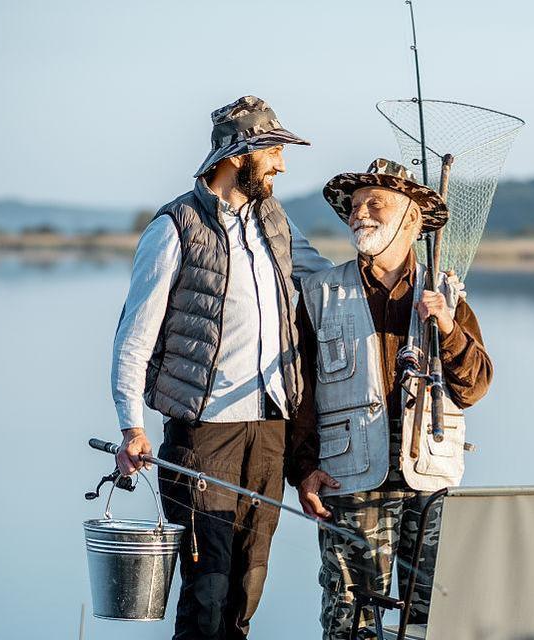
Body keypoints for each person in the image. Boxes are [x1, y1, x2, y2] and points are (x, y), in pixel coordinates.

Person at [110, 95, 331, 639]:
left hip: (271, 431)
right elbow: (132, 338)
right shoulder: (175, 227)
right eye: (275, 150)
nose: (281, 163)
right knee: (206, 592)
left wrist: (393, 259)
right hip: (204, 435)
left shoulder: (273, 219)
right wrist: (131, 426)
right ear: (240, 154)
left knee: (245, 591)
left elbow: (324, 279)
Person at [288, 158, 493, 639]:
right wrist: (302, 469)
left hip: (431, 478)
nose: (361, 213)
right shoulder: (319, 292)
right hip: (350, 478)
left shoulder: (446, 293)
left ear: (414, 218)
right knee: (353, 620)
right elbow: (300, 395)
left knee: (434, 620)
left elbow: (476, 385)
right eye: (355, 206)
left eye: (375, 203)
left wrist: (445, 324)